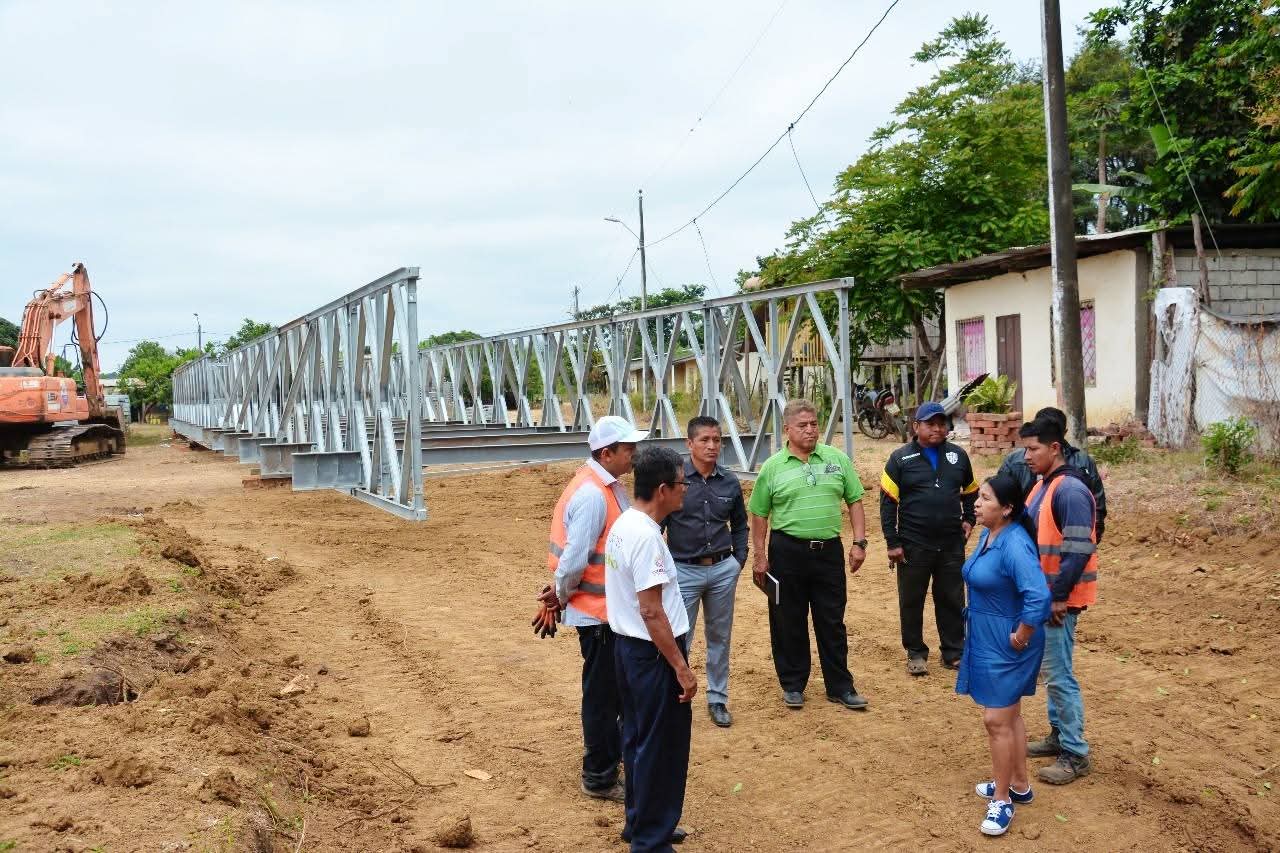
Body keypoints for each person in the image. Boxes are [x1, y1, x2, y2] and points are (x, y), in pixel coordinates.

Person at [536, 415, 648, 803]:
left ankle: (608, 762)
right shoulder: (592, 495)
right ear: (607, 453)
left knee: (611, 695)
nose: (634, 454)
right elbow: (574, 560)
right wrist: (559, 596)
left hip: (607, 612)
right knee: (602, 699)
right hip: (598, 616)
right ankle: (599, 776)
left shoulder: (607, 486)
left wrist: (560, 594)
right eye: (628, 448)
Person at [748, 398, 869, 711]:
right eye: (802, 425)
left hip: (828, 552)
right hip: (786, 552)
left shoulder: (836, 459)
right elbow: (759, 514)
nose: (810, 430)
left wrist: (859, 542)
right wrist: (760, 556)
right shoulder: (772, 467)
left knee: (832, 620)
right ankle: (792, 684)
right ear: (787, 430)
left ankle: (840, 687)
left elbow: (855, 500)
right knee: (787, 619)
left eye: (814, 424)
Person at [606, 445, 696, 853]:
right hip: (654, 653)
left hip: (629, 650)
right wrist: (680, 666)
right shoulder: (645, 537)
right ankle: (651, 841)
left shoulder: (626, 523)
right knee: (662, 747)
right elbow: (651, 610)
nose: (685, 490)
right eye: (681, 483)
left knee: (638, 738)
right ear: (663, 489)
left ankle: (640, 822)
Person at [956, 473, 1051, 837]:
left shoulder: (1014, 543)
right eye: (978, 497)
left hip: (1010, 643)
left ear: (1007, 508)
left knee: (996, 720)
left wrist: (1022, 636)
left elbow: (1038, 595)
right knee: (1010, 717)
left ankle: (1002, 799)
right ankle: (1019, 784)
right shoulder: (989, 534)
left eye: (985, 499)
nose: (977, 504)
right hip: (989, 636)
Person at [1018, 415, 1098, 785]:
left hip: (1058, 600)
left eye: (1032, 449)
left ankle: (1075, 753)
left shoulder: (1070, 491)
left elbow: (1078, 549)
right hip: (1045, 597)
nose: (1026, 456)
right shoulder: (1043, 486)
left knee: (1059, 674)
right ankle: (1059, 736)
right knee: (1052, 673)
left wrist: (1058, 597)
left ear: (1054, 448)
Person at [880, 401, 978, 676]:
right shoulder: (900, 459)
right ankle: (915, 652)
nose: (937, 428)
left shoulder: (958, 456)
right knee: (911, 600)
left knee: (952, 598)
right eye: (930, 424)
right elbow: (887, 504)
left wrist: (969, 519)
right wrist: (892, 542)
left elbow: (971, 491)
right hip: (913, 544)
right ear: (916, 427)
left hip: (951, 543)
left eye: (941, 423)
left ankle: (954, 652)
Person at [663, 416, 748, 728]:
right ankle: (674, 698)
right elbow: (656, 525)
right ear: (689, 444)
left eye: (717, 440)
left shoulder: (730, 482)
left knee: (719, 637)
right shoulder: (674, 481)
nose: (712, 446)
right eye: (704, 440)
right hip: (683, 571)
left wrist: (738, 560)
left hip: (723, 569)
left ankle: (718, 698)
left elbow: (740, 524)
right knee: (679, 636)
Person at [997, 406, 1107, 543]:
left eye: (1033, 449)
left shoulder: (1073, 485)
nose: (1027, 456)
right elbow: (1000, 501)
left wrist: (1094, 536)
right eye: (1027, 449)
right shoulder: (1034, 481)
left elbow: (1080, 545)